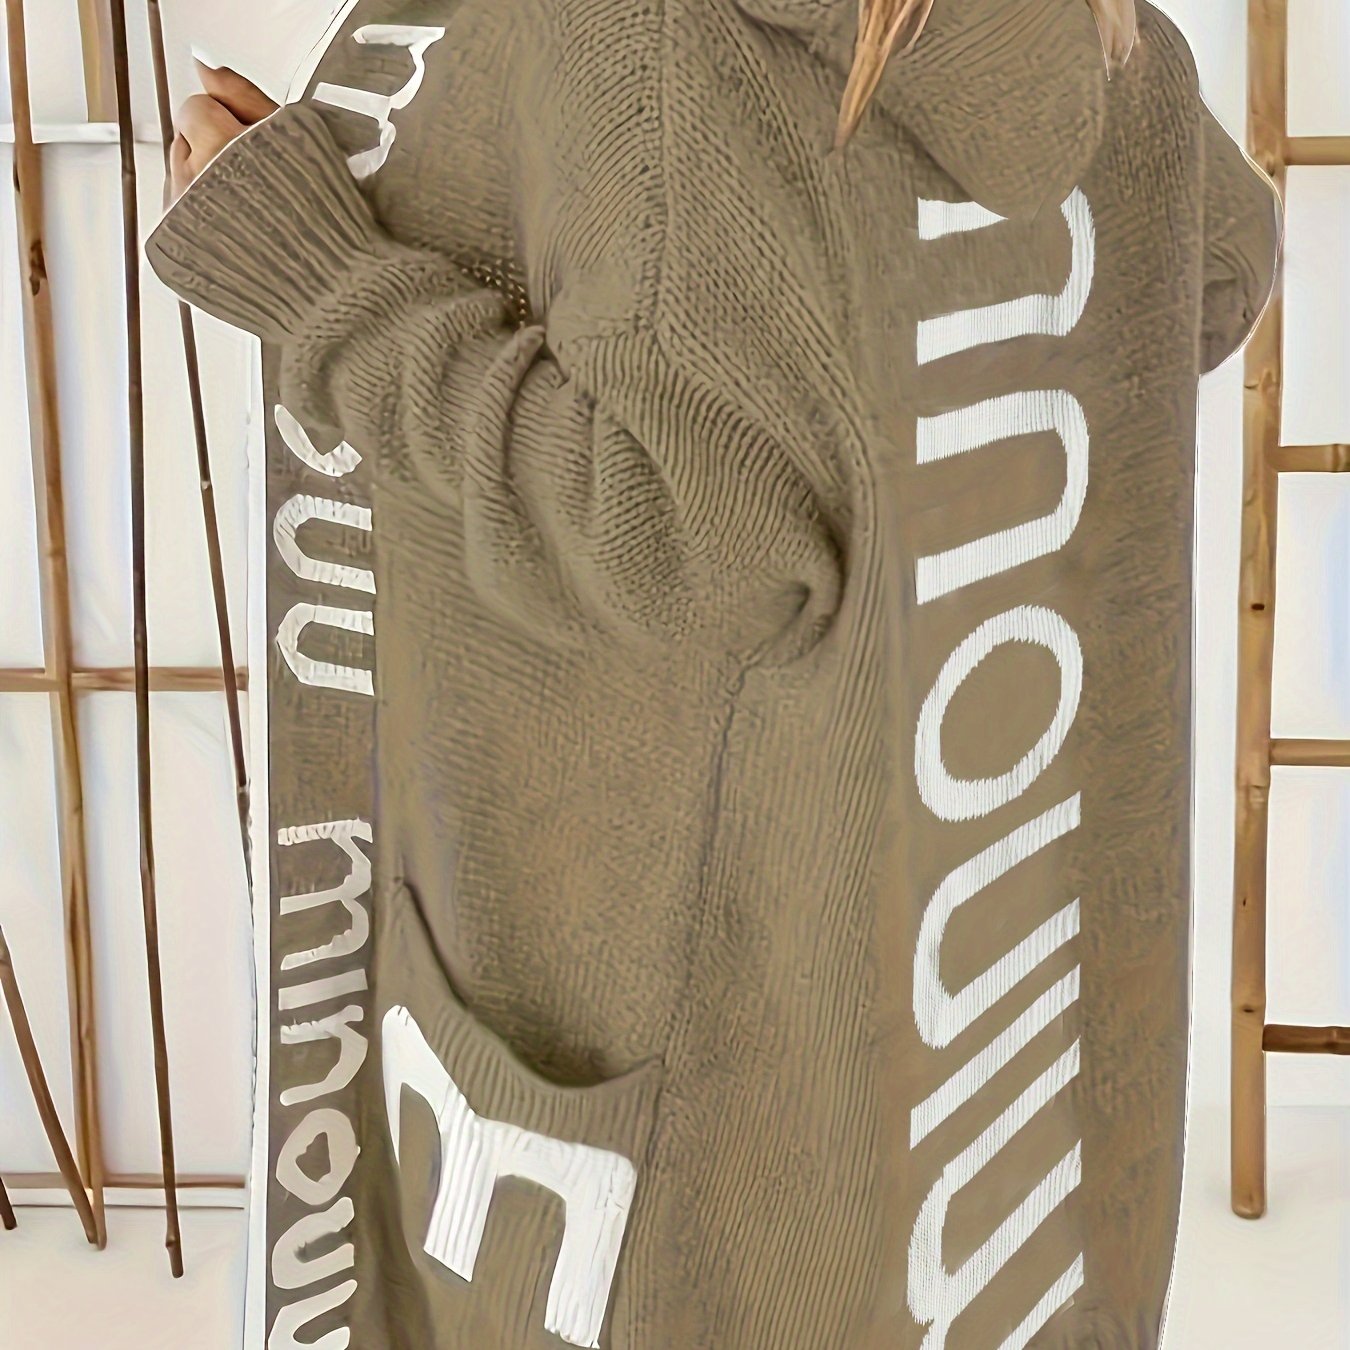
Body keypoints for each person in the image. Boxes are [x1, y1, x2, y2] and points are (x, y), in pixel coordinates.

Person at [149, 2, 1278, 1346]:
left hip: (719, 1078)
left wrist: (321, 282)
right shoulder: (1108, 36)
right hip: (993, 1058)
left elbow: (694, 547)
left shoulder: (640, 37)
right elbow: (1217, 262)